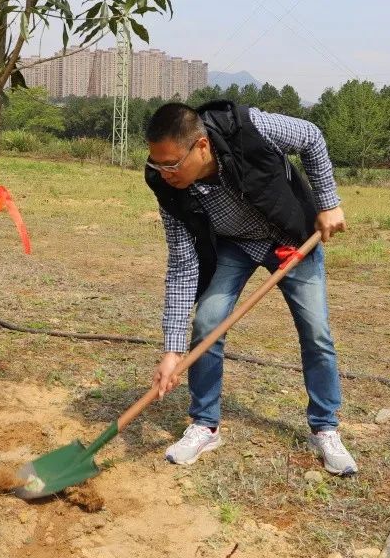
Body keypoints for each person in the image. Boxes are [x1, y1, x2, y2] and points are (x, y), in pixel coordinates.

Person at [143, 100, 356, 475]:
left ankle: (325, 427)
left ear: (202, 146)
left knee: (316, 332)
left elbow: (312, 136)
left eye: (172, 163)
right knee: (207, 324)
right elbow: (182, 264)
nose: (165, 173)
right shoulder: (168, 187)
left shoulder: (247, 127)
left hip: (291, 238)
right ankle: (205, 425)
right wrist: (172, 351)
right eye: (157, 163)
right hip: (233, 245)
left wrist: (328, 203)